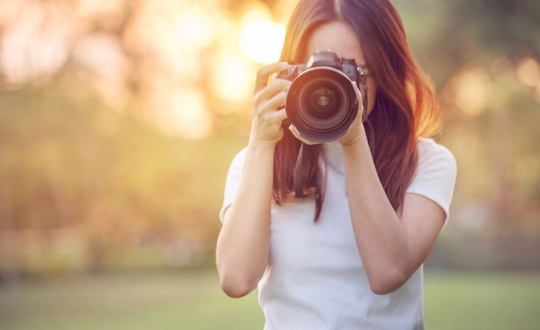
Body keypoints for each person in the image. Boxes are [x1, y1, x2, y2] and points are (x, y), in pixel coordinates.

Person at [216, 0, 457, 329]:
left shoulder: (427, 162)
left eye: (353, 72)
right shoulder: (255, 165)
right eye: (318, 72)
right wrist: (261, 144)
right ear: (291, 72)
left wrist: (352, 139)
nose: (329, 88)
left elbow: (387, 272)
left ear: (385, 72)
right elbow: (236, 279)